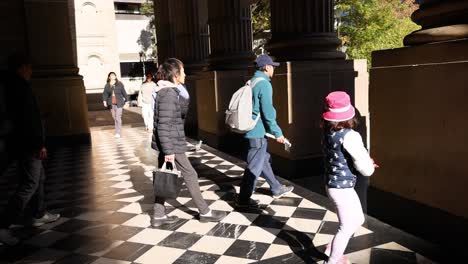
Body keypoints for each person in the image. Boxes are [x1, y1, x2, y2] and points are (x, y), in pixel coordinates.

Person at [150, 58, 226, 227]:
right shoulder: (169, 94)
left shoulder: (168, 90)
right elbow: (163, 125)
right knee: (190, 174)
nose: (185, 74)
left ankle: (158, 215)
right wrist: (169, 152)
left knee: (164, 175)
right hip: (171, 143)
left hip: (169, 142)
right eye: (182, 71)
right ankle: (205, 212)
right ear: (175, 74)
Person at [0, 53, 60, 246]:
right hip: (28, 144)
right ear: (21, 68)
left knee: (38, 178)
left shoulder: (14, 86)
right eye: (29, 67)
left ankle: (38, 213)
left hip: (22, 142)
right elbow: (27, 120)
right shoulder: (19, 88)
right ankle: (3, 227)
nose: (32, 71)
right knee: (29, 184)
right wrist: (38, 144)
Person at [321, 91, 377, 264]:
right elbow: (365, 169)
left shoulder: (328, 132)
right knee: (345, 228)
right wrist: (368, 164)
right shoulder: (351, 136)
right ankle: (333, 260)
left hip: (334, 184)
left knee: (358, 219)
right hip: (341, 189)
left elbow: (342, 156)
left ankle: (331, 247)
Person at [237, 54, 294, 208]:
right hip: (257, 133)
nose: (274, 70)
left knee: (263, 159)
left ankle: (276, 188)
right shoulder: (264, 84)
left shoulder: (252, 81)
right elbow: (268, 112)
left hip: (251, 130)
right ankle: (243, 199)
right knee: (254, 167)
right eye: (273, 67)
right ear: (267, 67)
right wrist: (278, 133)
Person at [102, 72, 127, 138]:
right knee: (114, 117)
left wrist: (126, 99)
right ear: (109, 77)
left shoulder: (119, 84)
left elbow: (123, 92)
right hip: (111, 103)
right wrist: (104, 101)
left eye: (114, 75)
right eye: (111, 75)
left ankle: (118, 132)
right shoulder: (107, 85)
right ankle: (117, 132)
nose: (113, 76)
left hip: (119, 102)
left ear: (115, 77)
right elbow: (105, 93)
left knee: (118, 117)